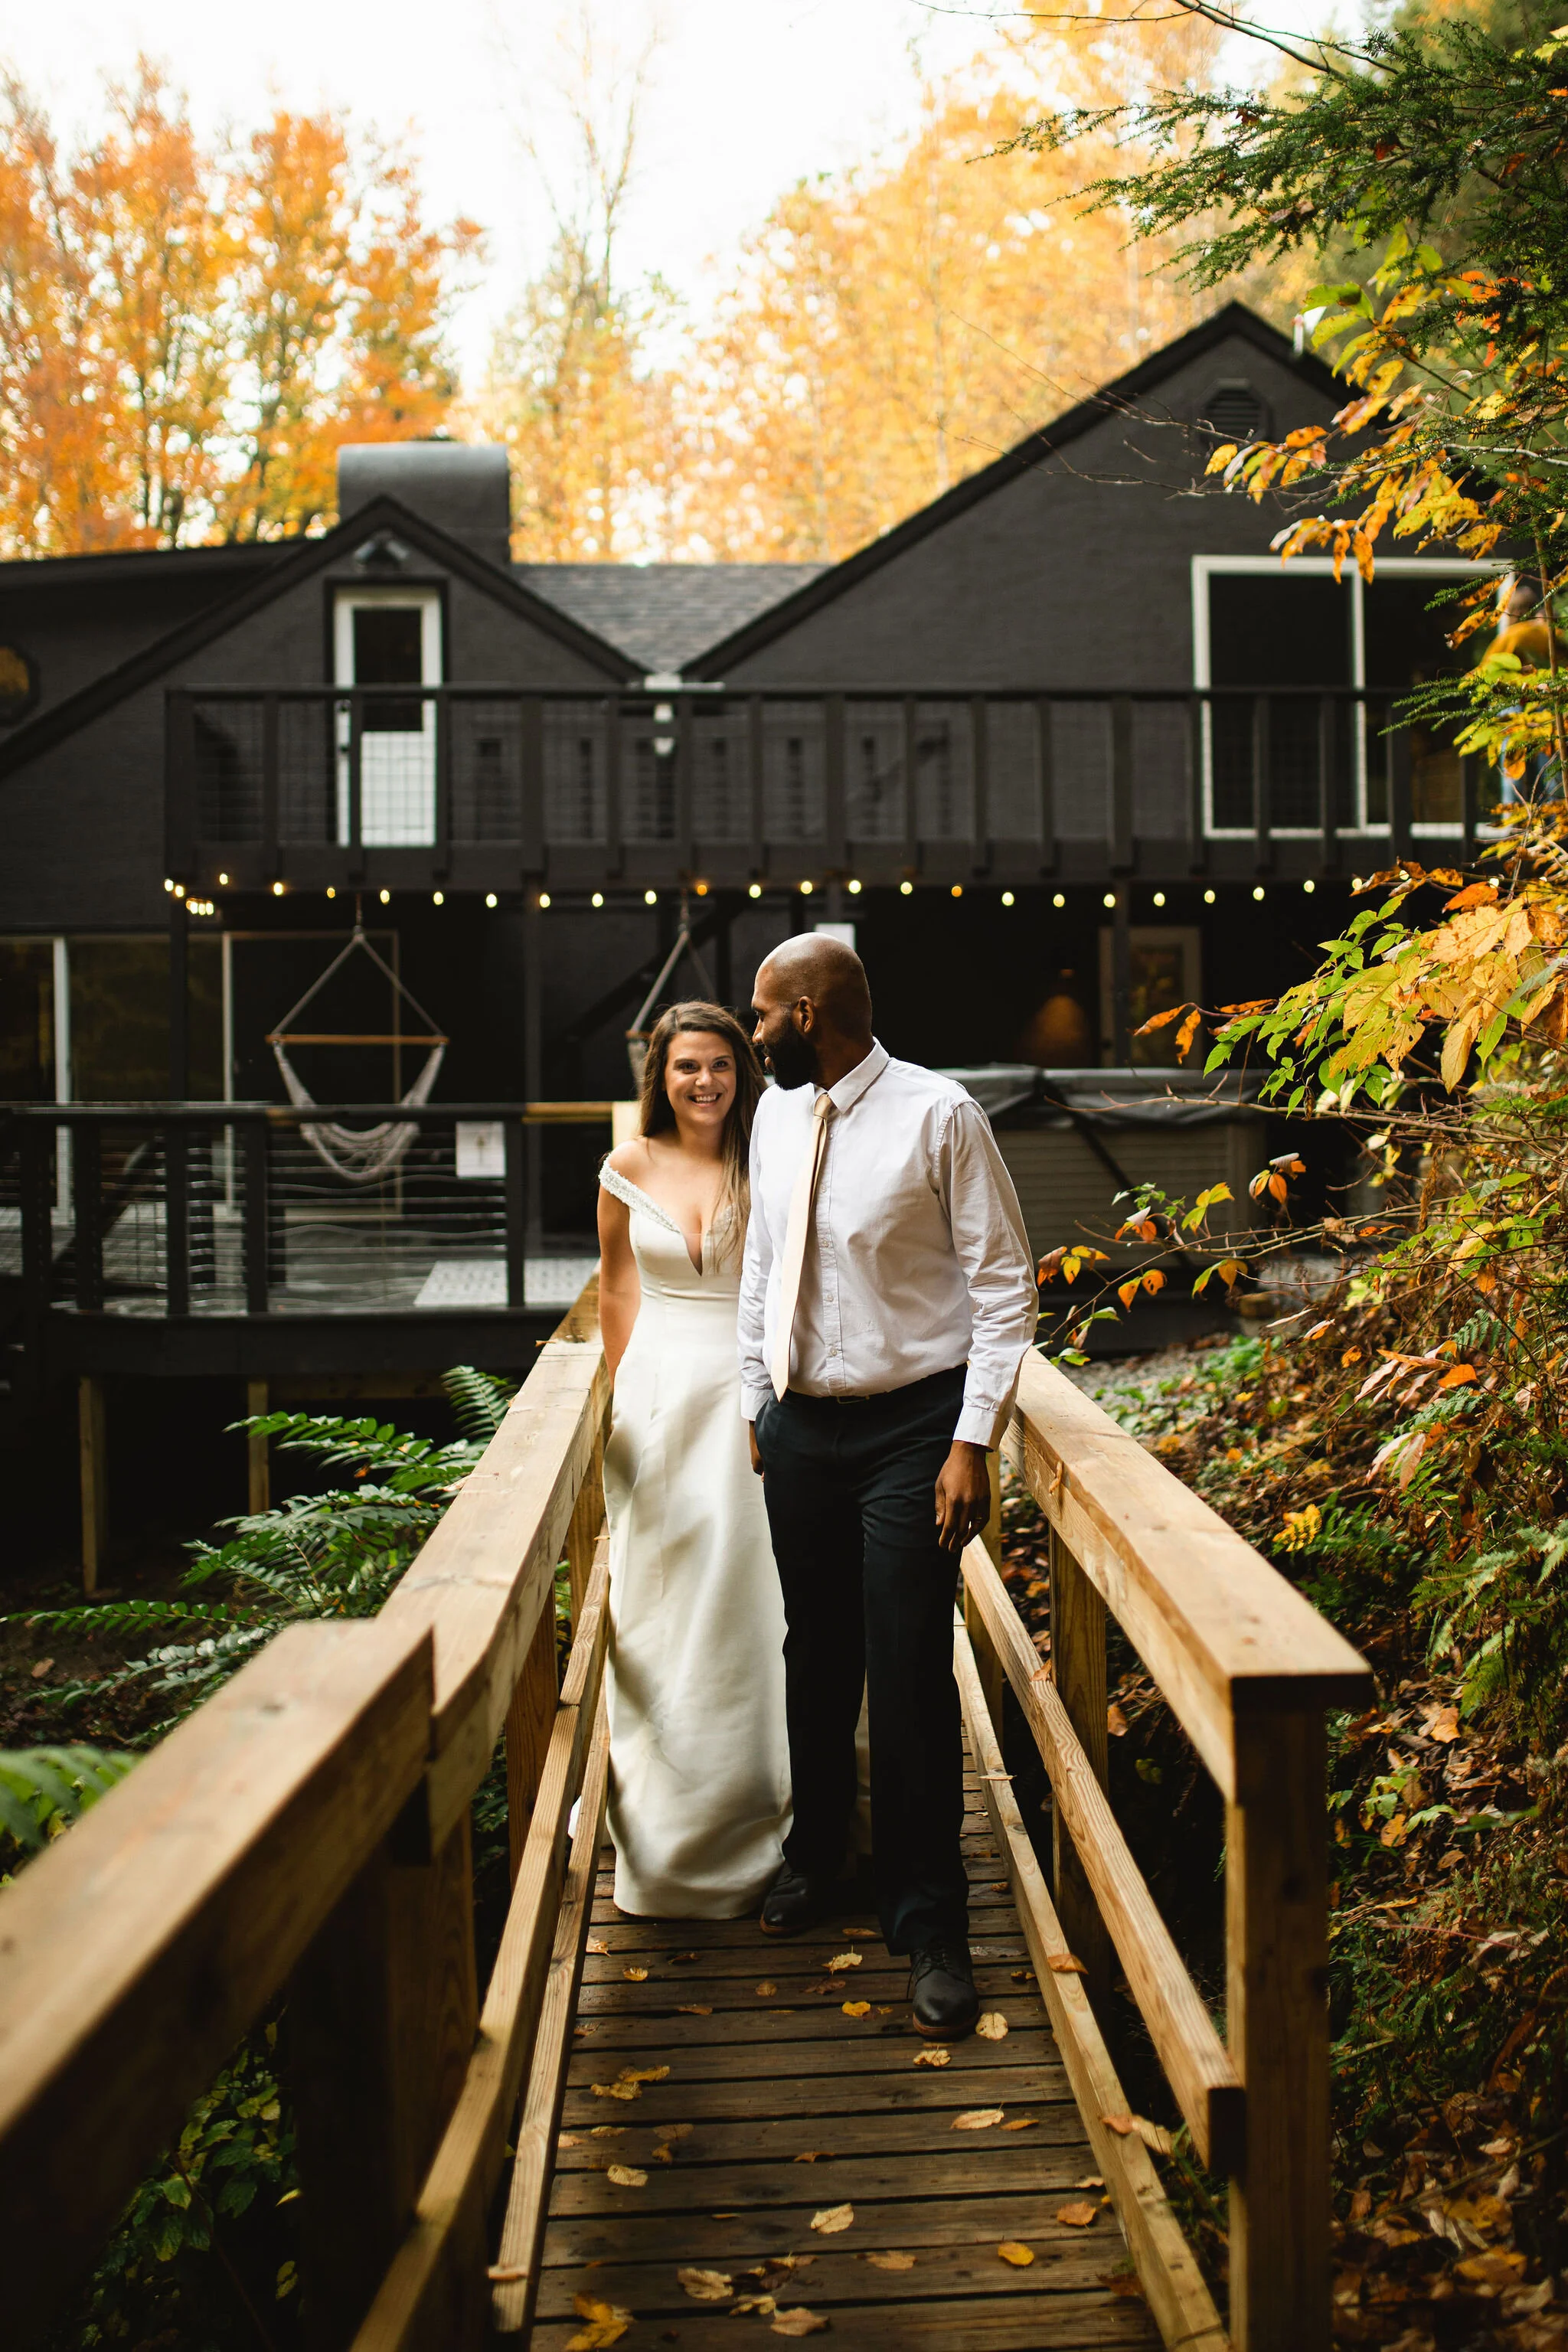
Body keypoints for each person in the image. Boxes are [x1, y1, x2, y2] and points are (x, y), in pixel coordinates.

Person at [740, 936, 1037, 2037]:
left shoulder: (940, 1117)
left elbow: (1006, 1285)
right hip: (800, 1428)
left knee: (908, 1666)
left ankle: (930, 1923)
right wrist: (752, 1402)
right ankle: (818, 1857)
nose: (749, 1026)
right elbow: (762, 1268)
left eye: (761, 1011)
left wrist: (974, 1442)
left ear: (809, 1011)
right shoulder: (775, 1118)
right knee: (812, 1653)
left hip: (917, 1428)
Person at [596, 1001, 790, 1917]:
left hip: (757, 1402)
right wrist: (622, 1401)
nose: (703, 1081)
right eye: (685, 1067)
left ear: (739, 1071)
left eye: (718, 1064)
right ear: (660, 1078)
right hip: (663, 1403)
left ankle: (772, 1813)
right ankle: (668, 1817)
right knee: (666, 1606)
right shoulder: (628, 1164)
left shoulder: (772, 1154)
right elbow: (619, 1289)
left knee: (754, 1602)